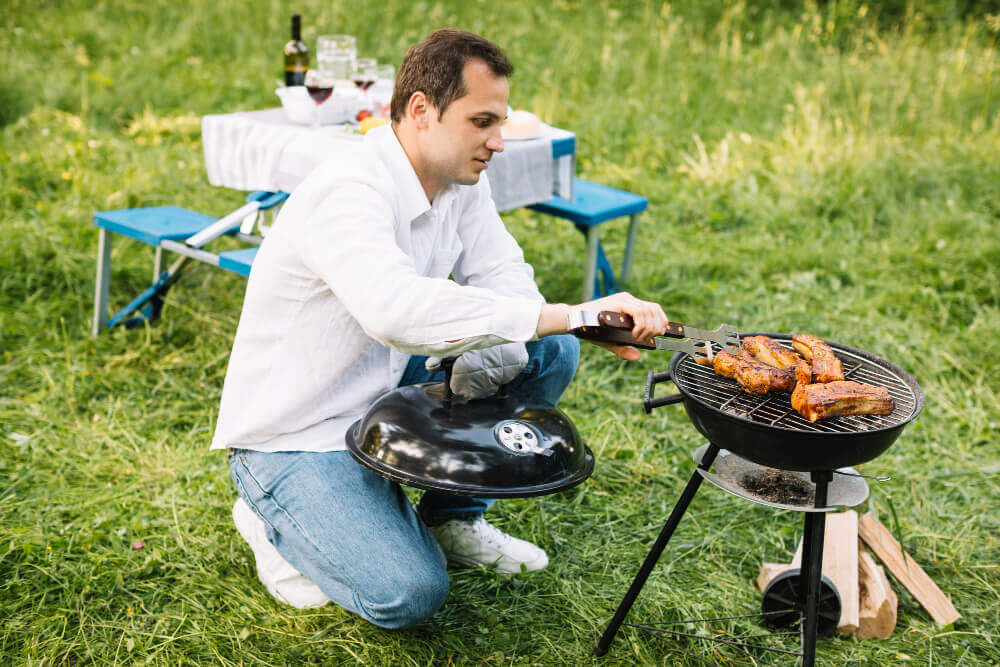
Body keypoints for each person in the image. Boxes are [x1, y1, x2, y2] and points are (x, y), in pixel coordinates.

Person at [211, 28, 668, 629]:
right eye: (482, 121)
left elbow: (505, 277)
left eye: (499, 122)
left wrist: (574, 326)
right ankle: (271, 518)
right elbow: (395, 310)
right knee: (409, 595)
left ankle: (452, 517)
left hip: (381, 379)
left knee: (549, 350)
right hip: (295, 430)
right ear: (422, 110)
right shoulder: (348, 189)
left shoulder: (459, 180)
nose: (498, 141)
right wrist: (571, 313)